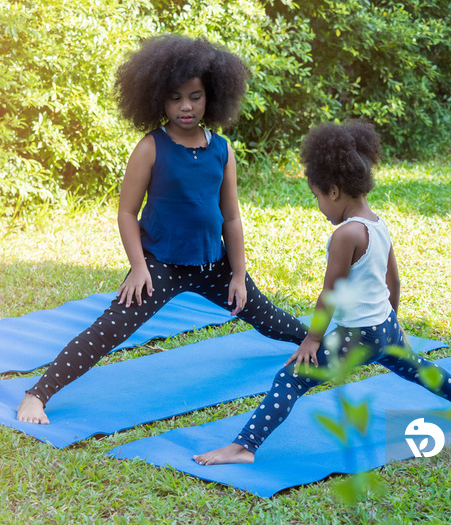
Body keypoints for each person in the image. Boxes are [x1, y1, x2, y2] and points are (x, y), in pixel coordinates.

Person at [16, 34, 308, 424]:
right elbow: (126, 212)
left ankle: (314, 344)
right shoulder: (151, 147)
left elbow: (232, 217)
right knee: (110, 329)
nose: (186, 106)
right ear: (158, 98)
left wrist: (238, 274)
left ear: (212, 96)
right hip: (160, 266)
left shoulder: (222, 149)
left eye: (195, 96)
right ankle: (37, 394)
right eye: (175, 98)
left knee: (268, 316)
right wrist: (138, 267)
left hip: (213, 265)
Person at [193, 121, 451, 465]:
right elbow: (393, 280)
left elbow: (329, 294)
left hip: (358, 336)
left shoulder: (346, 235)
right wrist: (394, 320)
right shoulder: (378, 222)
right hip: (384, 328)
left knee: (290, 379)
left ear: (334, 191)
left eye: (317, 197)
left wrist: (312, 341)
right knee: (418, 368)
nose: (319, 205)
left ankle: (244, 447)